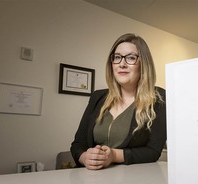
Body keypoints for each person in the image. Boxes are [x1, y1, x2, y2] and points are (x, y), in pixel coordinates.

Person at [70, 33, 166, 170]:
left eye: (131, 58)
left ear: (144, 64)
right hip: (91, 179)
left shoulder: (159, 98)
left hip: (132, 182)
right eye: (117, 57)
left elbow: (153, 151)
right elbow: (78, 144)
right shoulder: (97, 97)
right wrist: (85, 157)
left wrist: (114, 155)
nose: (122, 64)